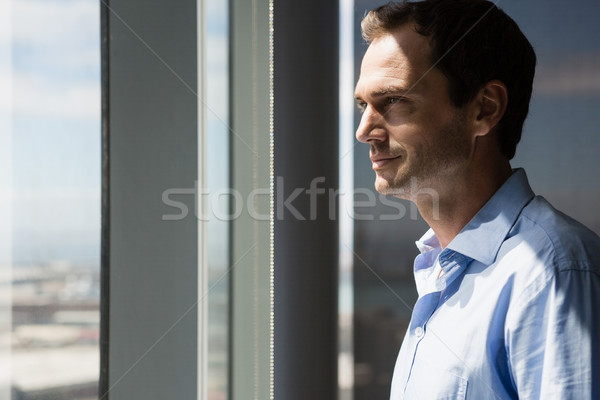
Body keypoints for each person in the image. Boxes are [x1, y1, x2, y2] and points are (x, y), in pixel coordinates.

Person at [353, 1, 600, 399]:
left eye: (394, 101)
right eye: (363, 105)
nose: (364, 130)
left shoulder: (553, 272)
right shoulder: (442, 271)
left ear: (484, 109)